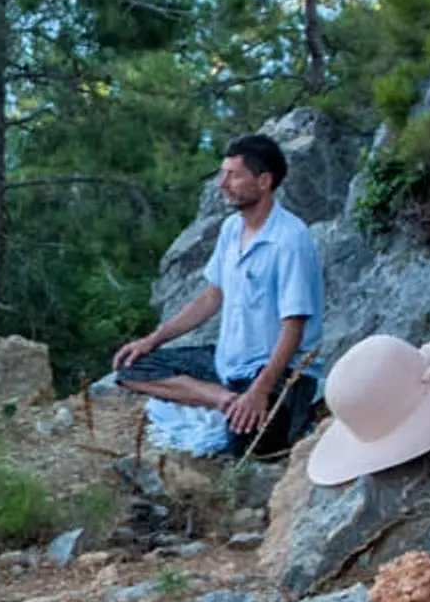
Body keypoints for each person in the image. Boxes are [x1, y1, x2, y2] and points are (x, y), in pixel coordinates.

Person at [111, 134, 327, 460]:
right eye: (222, 173)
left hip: (278, 371)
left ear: (264, 181)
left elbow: (293, 328)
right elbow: (212, 297)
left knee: (245, 445)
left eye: (233, 175)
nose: (222, 184)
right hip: (229, 362)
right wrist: (152, 340)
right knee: (132, 367)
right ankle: (222, 398)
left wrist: (260, 390)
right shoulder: (231, 229)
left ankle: (257, 405)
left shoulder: (290, 240)